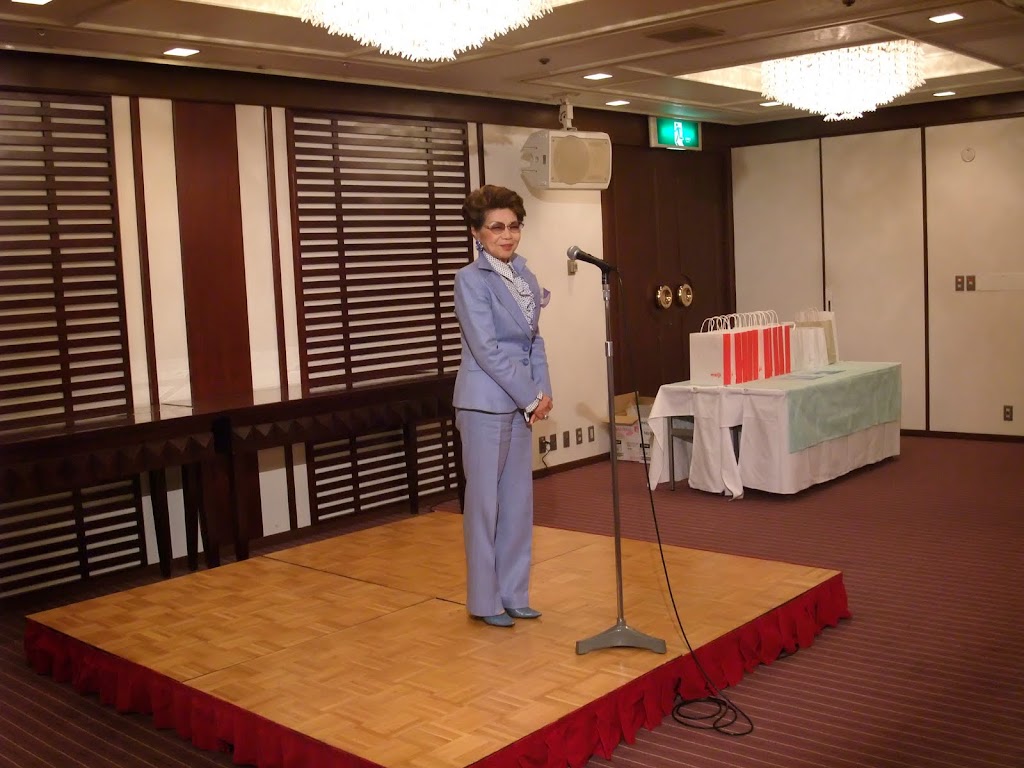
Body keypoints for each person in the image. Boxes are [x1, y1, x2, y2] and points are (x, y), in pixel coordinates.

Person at [453, 184, 553, 628]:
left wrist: (542, 392)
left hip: (520, 403)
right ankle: (484, 600)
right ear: (477, 232)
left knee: (517, 504)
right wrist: (529, 395)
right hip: (484, 404)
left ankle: (514, 593)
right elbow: (487, 349)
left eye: (513, 226)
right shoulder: (470, 280)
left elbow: (534, 341)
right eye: (496, 227)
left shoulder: (525, 277)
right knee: (484, 507)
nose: (507, 235)